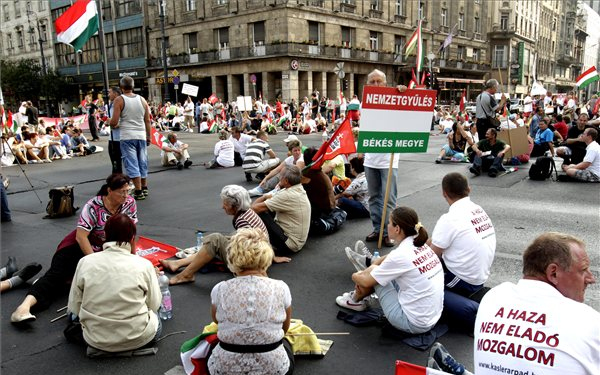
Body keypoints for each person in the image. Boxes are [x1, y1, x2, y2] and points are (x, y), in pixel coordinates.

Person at [10, 174, 137, 323]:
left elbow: (131, 234)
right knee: (55, 277)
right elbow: (81, 237)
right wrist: (95, 262)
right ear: (109, 190)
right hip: (78, 246)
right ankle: (23, 308)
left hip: (105, 249)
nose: (125, 195)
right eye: (122, 191)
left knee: (75, 284)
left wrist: (134, 259)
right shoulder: (93, 205)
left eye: (128, 191)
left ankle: (57, 281)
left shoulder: (129, 203)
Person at [473, 232, 598, 375]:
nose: (591, 278)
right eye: (583, 270)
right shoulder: (588, 321)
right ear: (553, 273)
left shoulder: (493, 298)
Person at [337, 207, 444, 334]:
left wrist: (358, 274)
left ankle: (355, 300)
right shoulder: (420, 245)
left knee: (373, 278)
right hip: (432, 318)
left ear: (397, 229)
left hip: (413, 323)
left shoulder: (401, 255)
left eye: (389, 223)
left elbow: (365, 281)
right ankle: (362, 284)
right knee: (378, 272)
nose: (387, 225)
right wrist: (373, 266)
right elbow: (389, 257)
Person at [67, 214, 161, 352]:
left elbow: (74, 306)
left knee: (73, 316)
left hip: (95, 339)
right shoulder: (144, 265)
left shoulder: (85, 262)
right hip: (139, 337)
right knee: (157, 316)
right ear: (132, 238)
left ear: (105, 235)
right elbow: (154, 305)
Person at [160, 185, 289, 285]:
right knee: (215, 241)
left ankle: (185, 275)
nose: (223, 207)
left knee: (214, 240)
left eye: (225, 204)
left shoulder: (243, 220)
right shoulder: (247, 212)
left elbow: (248, 248)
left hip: (251, 260)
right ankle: (178, 264)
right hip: (260, 253)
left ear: (235, 206)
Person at [207, 228, 294, 375]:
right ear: (266, 256)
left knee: (213, 348)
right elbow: (284, 329)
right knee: (285, 346)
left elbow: (217, 320)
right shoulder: (281, 287)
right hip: (274, 369)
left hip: (224, 369)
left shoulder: (219, 289)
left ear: (232, 256)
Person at [429, 172, 496, 330]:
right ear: (469, 189)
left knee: (420, 275)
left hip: (463, 280)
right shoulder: (477, 209)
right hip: (478, 275)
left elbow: (432, 256)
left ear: (444, 193)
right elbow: (438, 241)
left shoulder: (450, 218)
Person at [363, 69, 405, 247]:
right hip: (370, 159)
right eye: (372, 81)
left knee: (389, 200)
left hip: (389, 159)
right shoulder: (365, 103)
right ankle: (377, 229)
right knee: (373, 198)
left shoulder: (395, 99)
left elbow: (408, 115)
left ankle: (389, 233)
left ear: (385, 83)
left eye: (379, 81)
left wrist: (403, 94)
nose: (376, 85)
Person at [252, 165, 311, 255]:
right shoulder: (297, 188)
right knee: (268, 208)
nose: (279, 177)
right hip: (297, 240)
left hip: (289, 245)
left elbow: (253, 209)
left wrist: (263, 196)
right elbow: (272, 198)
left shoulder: (286, 195)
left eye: (281, 176)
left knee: (259, 214)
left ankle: (251, 242)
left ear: (286, 181)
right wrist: (266, 197)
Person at [110, 76, 152, 201]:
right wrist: (148, 136)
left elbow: (114, 122)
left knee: (132, 163)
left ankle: (138, 191)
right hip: (141, 135)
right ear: (133, 86)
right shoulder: (142, 100)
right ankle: (144, 188)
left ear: (122, 87)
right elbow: (148, 120)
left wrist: (109, 122)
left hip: (127, 136)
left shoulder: (119, 100)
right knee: (142, 162)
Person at [106, 86, 123, 174]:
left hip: (120, 137)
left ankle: (120, 179)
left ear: (115, 93)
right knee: (114, 160)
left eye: (110, 92)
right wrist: (108, 121)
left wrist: (114, 123)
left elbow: (122, 121)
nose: (108, 95)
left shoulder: (121, 103)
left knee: (119, 160)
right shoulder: (110, 105)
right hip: (112, 137)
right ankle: (116, 176)